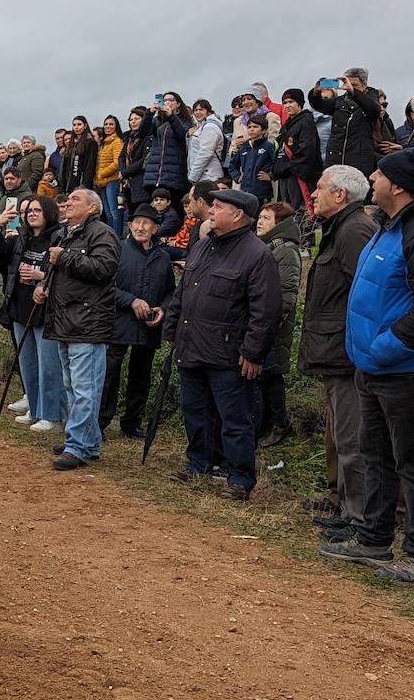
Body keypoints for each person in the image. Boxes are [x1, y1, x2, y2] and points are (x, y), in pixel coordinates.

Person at [320, 146, 414, 584]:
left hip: (411, 368)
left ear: (397, 185)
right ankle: (373, 539)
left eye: (378, 173)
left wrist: (384, 348)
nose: (372, 178)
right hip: (375, 365)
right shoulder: (391, 224)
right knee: (376, 455)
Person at [163, 188, 281, 500]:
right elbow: (183, 292)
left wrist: (254, 352)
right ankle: (198, 465)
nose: (211, 211)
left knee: (235, 419)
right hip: (192, 347)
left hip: (229, 355)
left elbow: (265, 311)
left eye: (218, 206)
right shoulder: (203, 247)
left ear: (238, 214)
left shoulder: (258, 255)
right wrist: (172, 330)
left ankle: (239, 478)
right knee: (195, 413)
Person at [297, 165, 376, 531]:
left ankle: (358, 519)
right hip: (335, 351)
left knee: (352, 439)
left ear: (340, 194)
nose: (313, 194)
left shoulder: (355, 230)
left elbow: (367, 296)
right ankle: (346, 507)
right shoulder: (340, 228)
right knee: (342, 436)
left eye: (319, 188)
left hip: (347, 354)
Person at [35, 188, 119, 469]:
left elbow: (104, 268)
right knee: (73, 386)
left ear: (93, 208)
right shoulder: (66, 233)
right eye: (67, 199)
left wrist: (65, 258)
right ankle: (86, 440)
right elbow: (61, 272)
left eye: (75, 200)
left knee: (86, 389)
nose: (67, 203)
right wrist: (43, 286)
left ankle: (77, 446)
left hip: (88, 323)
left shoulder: (102, 233)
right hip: (65, 320)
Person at [100, 203, 173, 437]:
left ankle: (131, 423)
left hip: (149, 325)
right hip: (118, 322)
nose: (140, 227)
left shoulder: (163, 257)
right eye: (136, 222)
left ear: (155, 228)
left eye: (146, 223)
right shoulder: (118, 250)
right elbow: (105, 286)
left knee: (141, 375)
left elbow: (172, 292)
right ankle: (100, 421)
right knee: (109, 372)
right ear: (129, 225)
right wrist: (131, 301)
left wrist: (162, 308)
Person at [0, 195, 65, 431]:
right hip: (19, 306)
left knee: (48, 366)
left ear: (49, 212)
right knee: (28, 364)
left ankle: (51, 416)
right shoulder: (21, 237)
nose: (32, 214)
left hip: (45, 309)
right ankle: (34, 410)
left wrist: (41, 277)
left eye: (37, 210)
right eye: (29, 211)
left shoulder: (59, 237)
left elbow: (65, 274)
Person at [255, 202, 302, 449]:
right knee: (263, 377)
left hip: (273, 327)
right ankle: (266, 425)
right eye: (259, 217)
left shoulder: (286, 251)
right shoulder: (268, 247)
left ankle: (280, 424)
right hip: (263, 324)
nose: (259, 222)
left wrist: (267, 325)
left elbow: (286, 294)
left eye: (266, 218)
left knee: (271, 376)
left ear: (279, 223)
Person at [309, 69, 382, 179]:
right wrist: (316, 92)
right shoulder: (340, 101)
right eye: (347, 83)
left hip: (359, 162)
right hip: (335, 160)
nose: (349, 87)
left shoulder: (371, 100)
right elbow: (319, 105)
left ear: (364, 85)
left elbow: (374, 109)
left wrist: (353, 92)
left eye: (354, 85)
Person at [268, 88, 322, 216]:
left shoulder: (306, 122)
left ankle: (305, 236)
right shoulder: (287, 125)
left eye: (291, 102)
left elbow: (306, 152)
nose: (287, 105)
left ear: (299, 103)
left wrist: (287, 168)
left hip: (299, 176)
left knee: (301, 212)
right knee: (287, 211)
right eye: (285, 102)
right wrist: (276, 170)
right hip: (285, 176)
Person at [137, 92, 193, 199]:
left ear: (178, 104)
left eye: (171, 100)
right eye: (165, 100)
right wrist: (149, 113)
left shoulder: (184, 121)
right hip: (154, 175)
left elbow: (182, 135)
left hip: (174, 175)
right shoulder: (157, 121)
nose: (167, 102)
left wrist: (171, 116)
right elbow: (142, 133)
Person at [230, 113, 274, 202]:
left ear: (264, 130)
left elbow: (277, 163)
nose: (252, 129)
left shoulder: (268, 146)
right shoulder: (244, 147)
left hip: (262, 192)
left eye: (255, 127)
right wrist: (237, 176)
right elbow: (233, 164)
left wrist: (271, 175)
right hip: (245, 191)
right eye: (249, 127)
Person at [119, 106, 152, 215]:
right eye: (131, 119)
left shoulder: (147, 137)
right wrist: (123, 172)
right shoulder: (129, 139)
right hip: (128, 183)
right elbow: (122, 157)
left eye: (136, 119)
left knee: (142, 212)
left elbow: (144, 160)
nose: (133, 122)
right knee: (131, 213)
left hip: (141, 181)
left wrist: (125, 172)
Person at [186, 99, 226, 184]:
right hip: (204, 176)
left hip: (209, 177)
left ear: (208, 111)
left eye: (201, 109)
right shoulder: (202, 127)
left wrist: (193, 176)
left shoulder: (210, 127)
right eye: (195, 110)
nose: (198, 112)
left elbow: (205, 153)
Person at [59, 116, 98, 196]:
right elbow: (65, 167)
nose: (76, 127)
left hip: (82, 185)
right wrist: (63, 185)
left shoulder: (90, 143)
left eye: (79, 124)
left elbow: (90, 165)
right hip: (69, 185)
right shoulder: (72, 144)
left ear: (85, 125)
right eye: (74, 125)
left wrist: (85, 184)